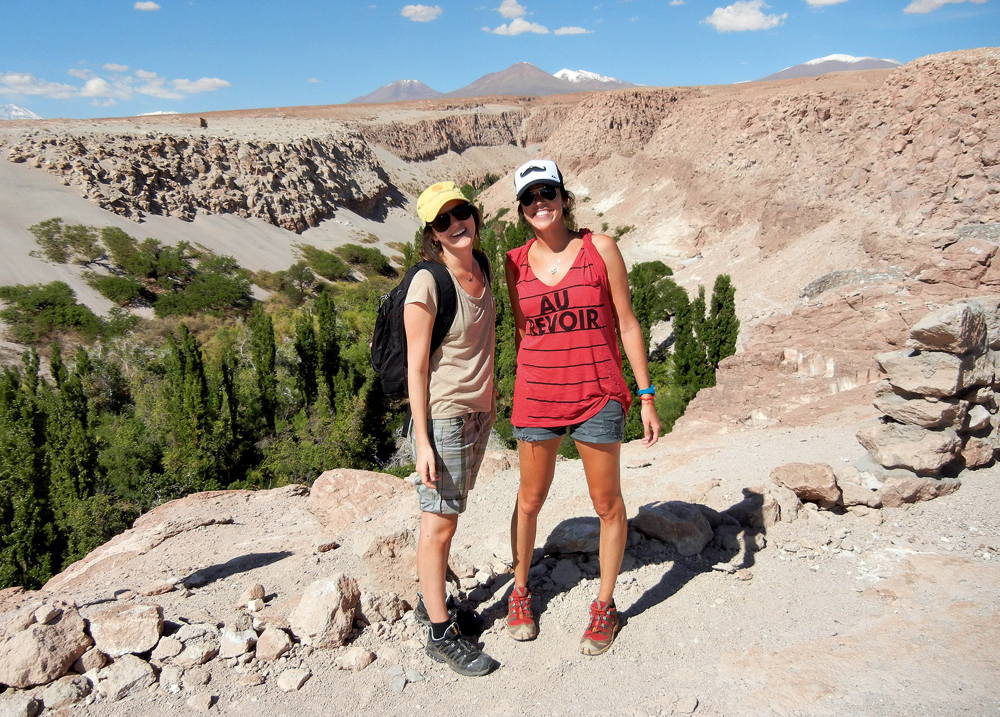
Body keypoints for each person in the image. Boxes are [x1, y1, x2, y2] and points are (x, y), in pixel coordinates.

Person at [504, 159, 662, 656]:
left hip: (597, 396)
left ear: (564, 197)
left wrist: (646, 394)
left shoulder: (601, 249)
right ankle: (520, 591)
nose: (539, 204)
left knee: (607, 504)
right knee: (529, 501)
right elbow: (522, 331)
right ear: (521, 209)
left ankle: (605, 606)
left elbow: (628, 323)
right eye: (529, 197)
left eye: (547, 192)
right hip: (537, 397)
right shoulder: (512, 263)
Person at [406, 181, 497, 677]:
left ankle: (431, 599)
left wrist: (492, 398)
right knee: (437, 524)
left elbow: (483, 341)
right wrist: (422, 440)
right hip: (444, 419)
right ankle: (440, 633)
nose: (457, 223)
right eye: (444, 220)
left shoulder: (481, 267)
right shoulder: (427, 283)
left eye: (462, 212)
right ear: (433, 234)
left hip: (477, 414)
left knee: (449, 518)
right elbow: (416, 368)